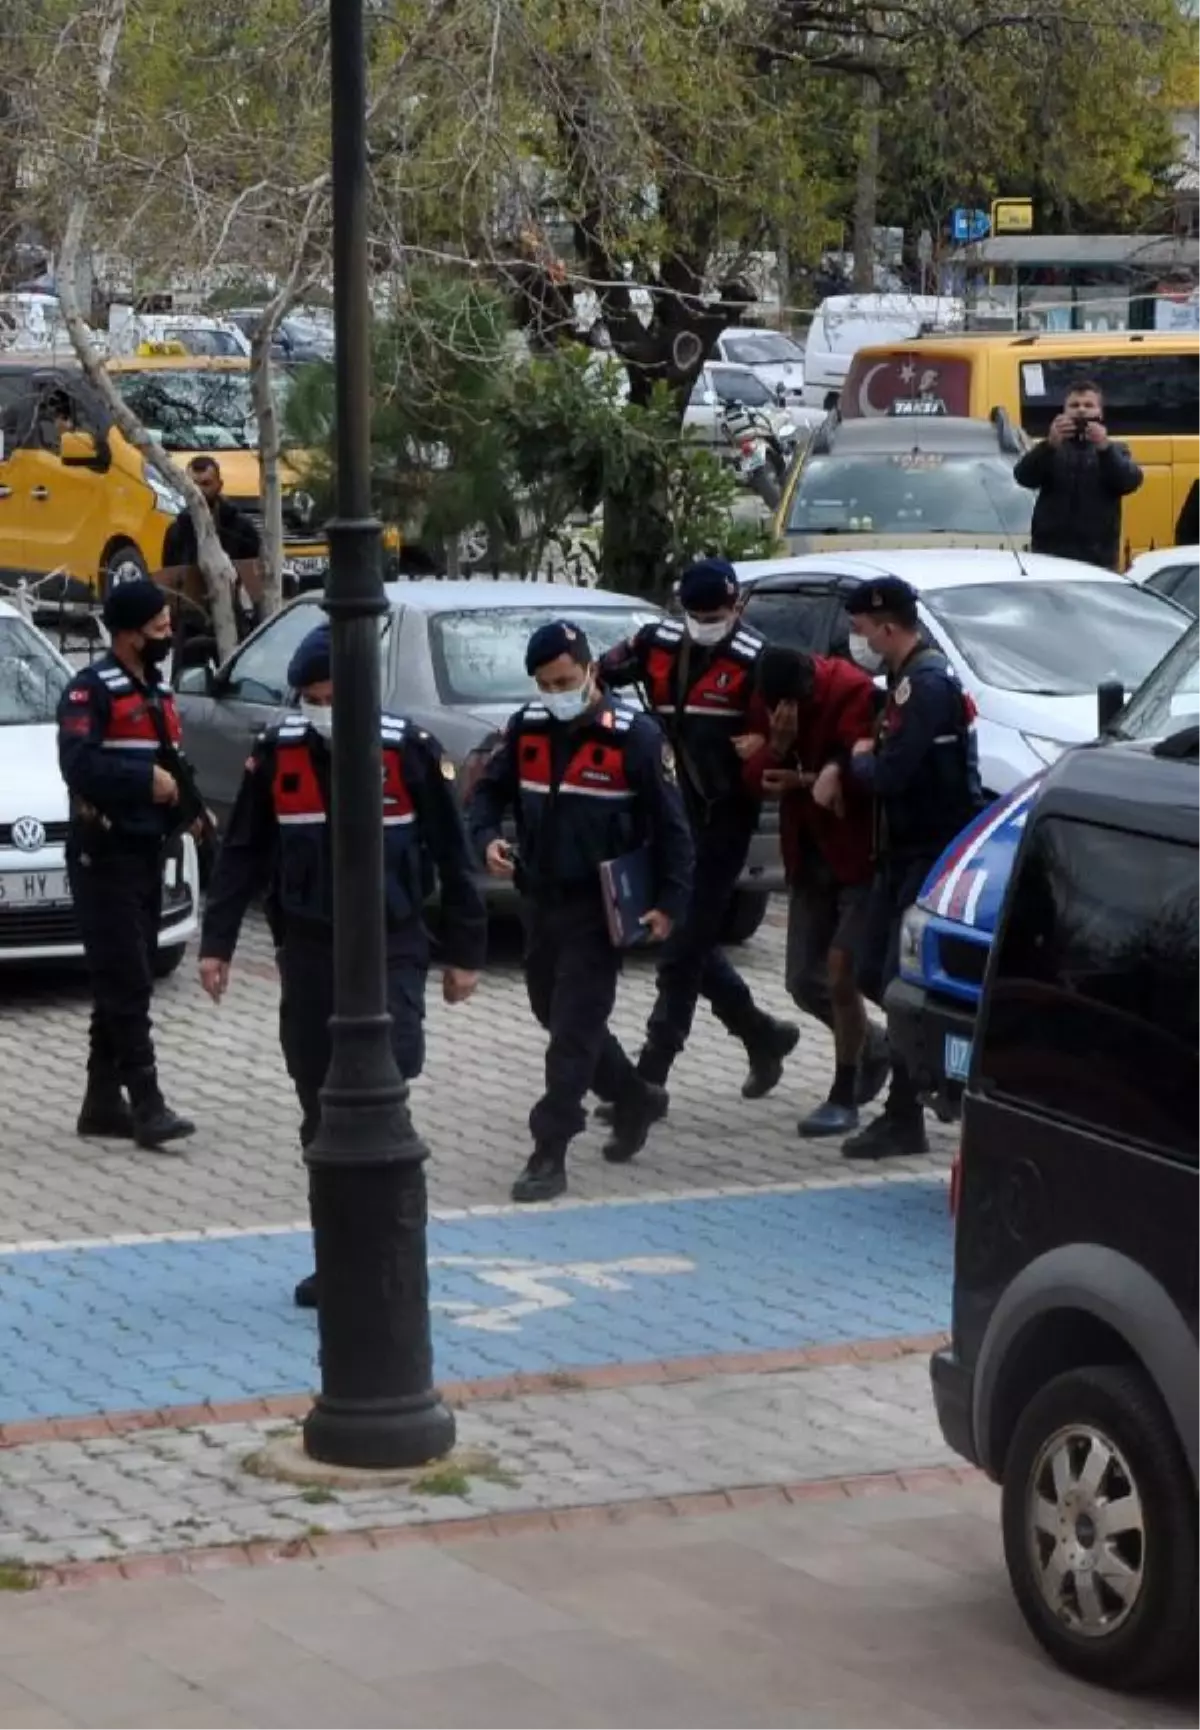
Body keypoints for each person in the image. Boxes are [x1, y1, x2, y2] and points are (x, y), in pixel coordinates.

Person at [197, 623, 487, 1307]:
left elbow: (453, 852)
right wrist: (217, 945)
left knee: (389, 1081)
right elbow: (242, 853)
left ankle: (390, 1252)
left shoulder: (409, 751)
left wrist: (467, 953)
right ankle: (339, 1257)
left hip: (394, 942)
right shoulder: (279, 754)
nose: (322, 708)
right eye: (312, 697)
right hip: (309, 948)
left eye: (333, 695)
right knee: (317, 1106)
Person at [468, 620, 693, 1204]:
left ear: (591, 670)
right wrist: (488, 835)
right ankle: (634, 1096)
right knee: (553, 1008)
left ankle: (550, 1149)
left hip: (602, 907)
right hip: (541, 899)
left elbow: (673, 829)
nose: (556, 692)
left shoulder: (635, 738)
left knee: (572, 1029)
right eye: (545, 683)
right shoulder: (529, 729)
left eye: (565, 680)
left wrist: (669, 903)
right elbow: (488, 792)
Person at [598, 557, 798, 1101]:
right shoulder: (654, 644)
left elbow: (789, 726)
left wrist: (767, 742)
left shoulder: (758, 660)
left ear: (737, 607)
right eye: (696, 611)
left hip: (722, 818)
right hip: (666, 813)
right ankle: (761, 1032)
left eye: (716, 612)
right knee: (691, 939)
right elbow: (598, 678)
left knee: (680, 947)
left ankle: (650, 1075)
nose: (705, 620)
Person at [836, 576, 982, 1159]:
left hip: (926, 855)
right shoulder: (905, 681)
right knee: (875, 972)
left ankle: (907, 1109)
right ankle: (911, 1093)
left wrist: (858, 762)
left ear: (887, 626)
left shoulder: (923, 687)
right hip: (900, 855)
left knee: (892, 978)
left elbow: (893, 774)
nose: (856, 640)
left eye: (861, 629)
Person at [56, 579, 198, 1149]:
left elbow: (172, 766)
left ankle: (99, 1103)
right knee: (130, 980)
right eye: (159, 629)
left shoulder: (158, 694)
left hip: (146, 853)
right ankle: (147, 1104)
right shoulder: (92, 692)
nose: (168, 636)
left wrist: (190, 812)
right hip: (103, 853)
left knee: (119, 977)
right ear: (128, 634)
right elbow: (78, 765)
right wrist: (145, 781)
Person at [741, 645, 891, 1138]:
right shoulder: (766, 697)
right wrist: (778, 747)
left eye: (795, 703)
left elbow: (867, 771)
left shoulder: (849, 690)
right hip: (809, 856)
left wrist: (805, 777)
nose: (787, 712)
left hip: (858, 857)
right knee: (804, 980)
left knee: (843, 974)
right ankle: (876, 1045)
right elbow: (753, 775)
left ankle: (844, 1091)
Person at [1012, 378, 1142, 570]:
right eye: (1074, 405)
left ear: (1100, 413)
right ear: (1064, 411)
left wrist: (1105, 449)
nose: (1081, 410)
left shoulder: (1115, 449)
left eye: (1089, 405)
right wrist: (1048, 446)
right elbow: (1023, 477)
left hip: (1098, 556)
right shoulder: (1051, 449)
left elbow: (1130, 481)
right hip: (1049, 554)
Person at [162, 456, 262, 568]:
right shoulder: (177, 531)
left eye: (206, 484)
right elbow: (170, 575)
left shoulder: (241, 529)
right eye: (193, 485)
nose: (198, 491)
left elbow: (255, 573)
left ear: (219, 485)